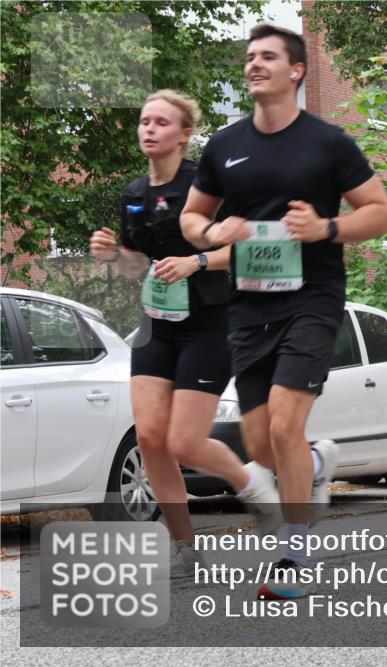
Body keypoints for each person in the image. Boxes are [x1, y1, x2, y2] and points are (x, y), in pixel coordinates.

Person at [180, 24, 387, 599]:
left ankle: (295, 554)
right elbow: (191, 219)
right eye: (249, 57)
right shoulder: (225, 145)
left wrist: (326, 227)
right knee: (263, 444)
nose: (254, 65)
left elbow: (380, 212)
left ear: (295, 70)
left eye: (267, 57)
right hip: (249, 304)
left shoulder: (327, 142)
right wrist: (210, 230)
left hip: (312, 298)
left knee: (283, 422)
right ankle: (316, 467)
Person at [89, 90, 276, 578]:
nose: (148, 129)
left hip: (210, 323)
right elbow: (136, 268)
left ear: (184, 133)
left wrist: (196, 261)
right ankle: (185, 545)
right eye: (144, 121)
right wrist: (112, 254)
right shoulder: (134, 194)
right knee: (150, 437)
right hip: (156, 324)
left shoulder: (206, 186)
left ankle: (253, 485)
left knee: (185, 443)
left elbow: (248, 251)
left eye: (161, 122)